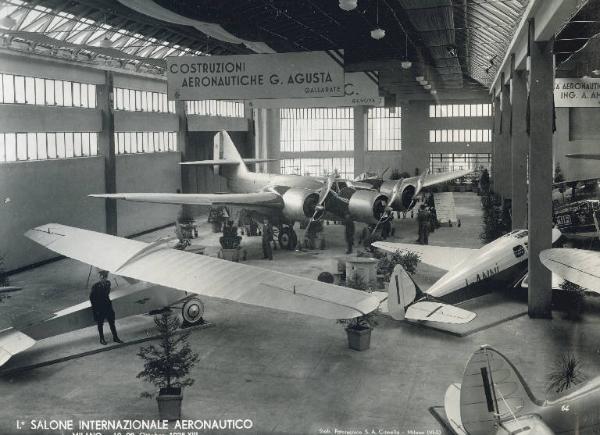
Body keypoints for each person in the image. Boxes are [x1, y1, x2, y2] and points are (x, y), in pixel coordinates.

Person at [90, 270, 123, 345]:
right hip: (100, 308)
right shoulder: (95, 286)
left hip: (108, 307)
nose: (104, 279)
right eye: (102, 277)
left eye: (105, 277)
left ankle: (115, 337)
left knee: (112, 323)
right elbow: (92, 299)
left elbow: (106, 294)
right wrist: (96, 310)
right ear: (100, 277)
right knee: (100, 324)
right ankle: (102, 339)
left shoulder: (108, 283)